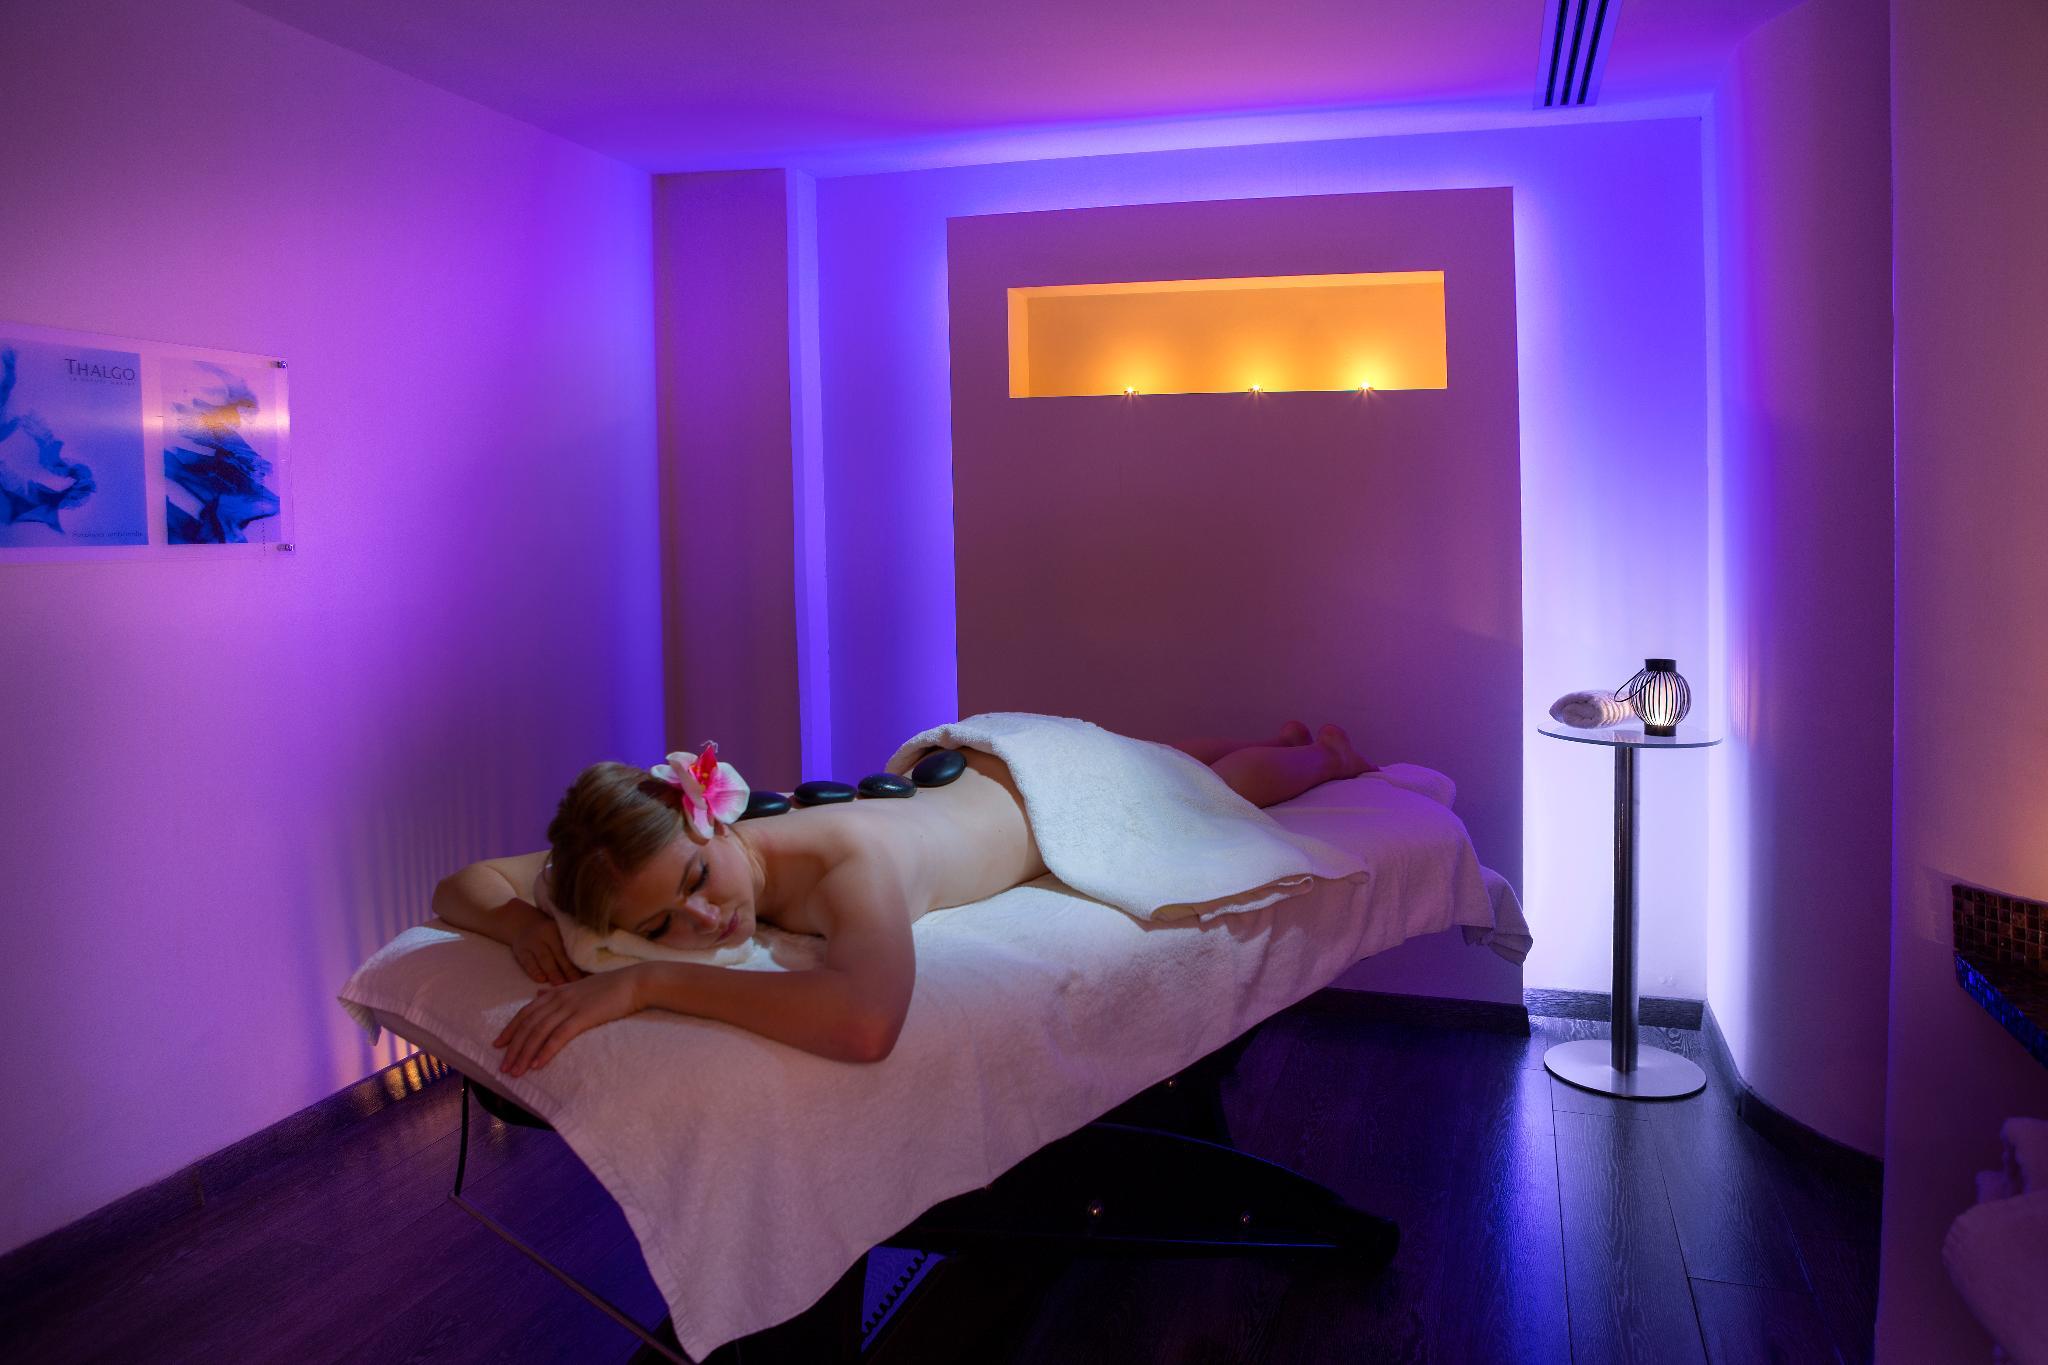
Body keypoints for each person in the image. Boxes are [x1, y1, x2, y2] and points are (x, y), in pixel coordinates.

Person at [432, 720, 1375, 1075]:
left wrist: (644, 981)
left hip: (1057, 785)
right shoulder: (638, 857)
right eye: (658, 929)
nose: (704, 921)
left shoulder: (846, 861)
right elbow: (463, 884)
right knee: (1169, 754)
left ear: (706, 815)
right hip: (977, 767)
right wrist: (518, 921)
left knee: (1211, 787)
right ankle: (1272, 733)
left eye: (695, 882)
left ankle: (1323, 755)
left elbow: (865, 1022)